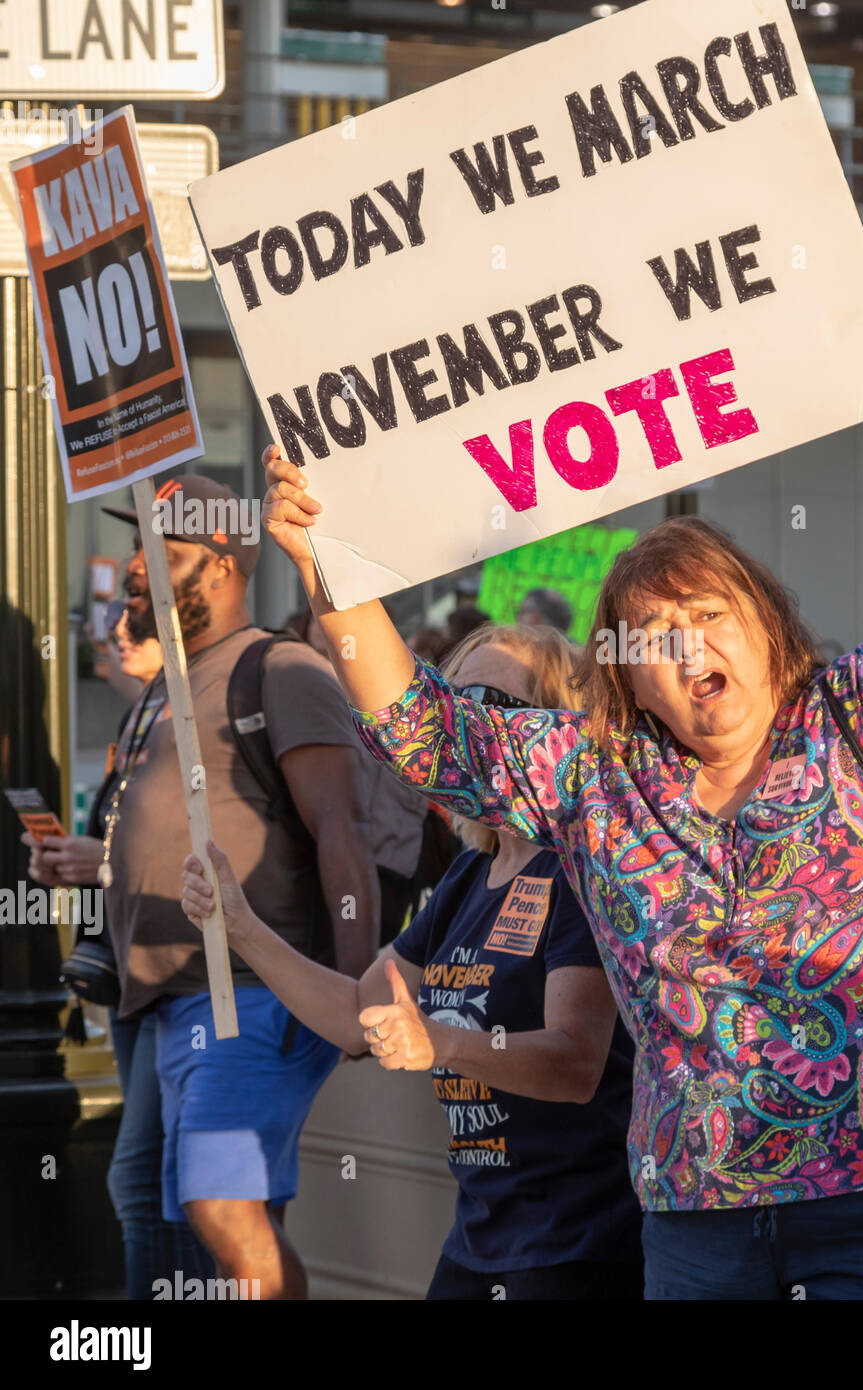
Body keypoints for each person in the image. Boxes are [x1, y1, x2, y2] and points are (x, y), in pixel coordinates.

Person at [261, 351, 863, 1299]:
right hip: (702, 1227)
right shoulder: (603, 780)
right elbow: (423, 731)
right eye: (653, 637)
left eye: (708, 613)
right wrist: (332, 564)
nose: (687, 644)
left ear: (769, 628)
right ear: (629, 680)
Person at [180, 623, 643, 1299]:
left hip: (574, 1243)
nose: (472, 724)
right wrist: (241, 927)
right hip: (483, 1234)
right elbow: (354, 1016)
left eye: (496, 703)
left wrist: (440, 1041)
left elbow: (575, 1063)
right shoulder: (469, 876)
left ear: (552, 729)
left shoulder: (571, 868)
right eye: (458, 702)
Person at [96, 473, 382, 1299]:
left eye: (166, 551)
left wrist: (352, 992)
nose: (138, 567)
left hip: (246, 992)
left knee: (222, 1207)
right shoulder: (169, 686)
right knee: (157, 1208)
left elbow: (344, 830)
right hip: (160, 1001)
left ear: (221, 566)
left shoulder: (280, 668)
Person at [25, 603, 215, 1299]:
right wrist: (78, 863)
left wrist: (99, 863)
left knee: (146, 1177)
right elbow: (126, 832)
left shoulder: (200, 711)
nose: (118, 630)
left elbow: (200, 848)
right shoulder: (145, 715)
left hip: (187, 976)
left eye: (133, 615)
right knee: (151, 1181)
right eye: (113, 616)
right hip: (138, 973)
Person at [283, 607, 430, 942]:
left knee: (369, 950)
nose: (330, 627)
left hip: (389, 854)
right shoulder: (290, 681)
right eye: (322, 617)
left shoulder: (401, 682)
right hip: (322, 856)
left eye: (346, 616)